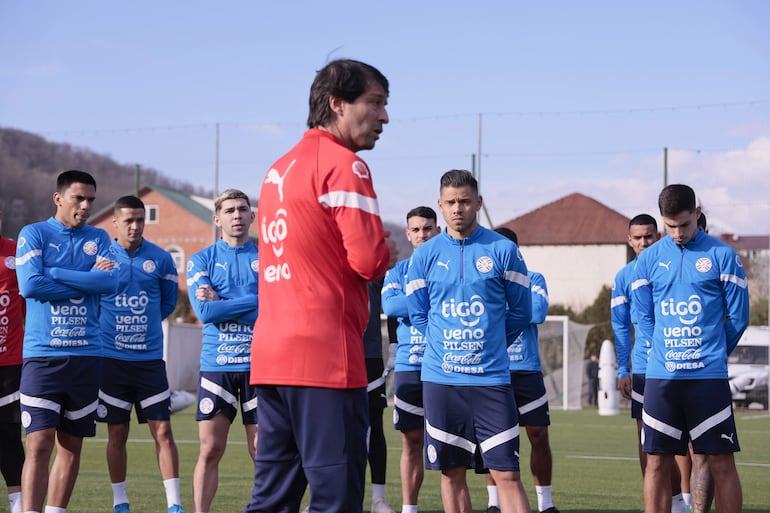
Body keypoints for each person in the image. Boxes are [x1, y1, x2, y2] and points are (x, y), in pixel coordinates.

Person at [245, 59, 392, 513]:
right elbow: (369, 260)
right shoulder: (346, 165)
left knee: (272, 499)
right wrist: (385, 250)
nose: (384, 117)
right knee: (336, 498)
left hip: (271, 357)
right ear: (337, 104)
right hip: (326, 359)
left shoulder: (277, 169)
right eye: (376, 103)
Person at [406, 169, 532, 513]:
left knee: (507, 473)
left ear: (479, 202)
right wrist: (444, 344)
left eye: (464, 201)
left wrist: (491, 342)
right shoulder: (424, 256)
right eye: (450, 203)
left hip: (491, 382)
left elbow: (521, 311)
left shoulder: (503, 250)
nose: (457, 208)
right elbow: (419, 315)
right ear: (440, 206)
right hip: (442, 382)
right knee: (452, 473)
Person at [632, 184, 749, 513]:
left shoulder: (722, 255)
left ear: (697, 214)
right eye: (670, 227)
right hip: (662, 379)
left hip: (707, 379)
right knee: (656, 461)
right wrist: (666, 349)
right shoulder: (649, 260)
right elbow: (642, 316)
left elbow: (738, 317)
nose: (678, 233)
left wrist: (710, 351)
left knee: (721, 461)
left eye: (684, 224)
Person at [15, 170, 118, 513]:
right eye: (79, 198)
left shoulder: (101, 238)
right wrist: (88, 278)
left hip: (87, 356)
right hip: (43, 356)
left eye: (91, 199)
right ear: (58, 198)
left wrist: (55, 273)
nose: (86, 205)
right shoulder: (34, 234)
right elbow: (30, 286)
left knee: (72, 445)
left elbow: (112, 284)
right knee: (39, 443)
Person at [97, 195, 184, 513]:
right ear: (115, 222)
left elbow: (167, 303)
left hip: (149, 362)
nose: (135, 226)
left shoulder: (161, 259)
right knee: (117, 432)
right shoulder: (102, 258)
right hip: (112, 361)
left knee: (162, 429)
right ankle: (121, 502)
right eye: (128, 220)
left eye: (140, 220)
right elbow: (91, 299)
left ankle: (174, 504)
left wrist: (142, 328)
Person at [186, 189, 259, 513]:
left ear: (252, 216)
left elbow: (276, 307)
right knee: (211, 449)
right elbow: (205, 314)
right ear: (217, 219)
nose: (237, 215)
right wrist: (256, 302)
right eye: (229, 210)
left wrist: (223, 302)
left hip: (262, 365)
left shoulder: (269, 258)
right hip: (217, 365)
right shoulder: (201, 259)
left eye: (242, 209)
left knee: (263, 451)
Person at [611, 214, 689, 513]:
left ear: (658, 236)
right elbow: (620, 327)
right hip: (644, 368)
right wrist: (622, 368)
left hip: (681, 364)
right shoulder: (624, 277)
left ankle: (686, 499)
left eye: (649, 236)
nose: (644, 242)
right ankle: (666, 503)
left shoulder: (672, 267)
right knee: (649, 441)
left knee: (684, 441)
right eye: (638, 237)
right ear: (629, 241)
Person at [484, 227, 558, 513]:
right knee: (493, 440)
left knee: (538, 435)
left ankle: (546, 504)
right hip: (495, 370)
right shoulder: (486, 280)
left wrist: (503, 307)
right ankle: (494, 504)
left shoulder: (533, 278)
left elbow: (536, 312)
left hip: (526, 370)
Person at [381, 206, 441, 513]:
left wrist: (414, 300)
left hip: (446, 367)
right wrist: (436, 297)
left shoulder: (449, 268)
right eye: (416, 229)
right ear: (408, 234)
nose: (422, 234)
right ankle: (409, 509)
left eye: (428, 228)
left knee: (450, 447)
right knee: (411, 442)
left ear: (438, 231)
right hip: (409, 366)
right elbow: (391, 307)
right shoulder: (396, 272)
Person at [363, 279, 396, 513]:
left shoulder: (374, 272)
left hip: (369, 358)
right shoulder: (328, 262)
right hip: (333, 355)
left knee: (375, 428)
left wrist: (394, 346)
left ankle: (378, 500)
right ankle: (321, 498)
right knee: (329, 431)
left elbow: (393, 306)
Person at [0, 209, 25, 513]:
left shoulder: (15, 254)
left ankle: (19, 505)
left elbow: (28, 304)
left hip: (10, 365)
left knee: (8, 435)